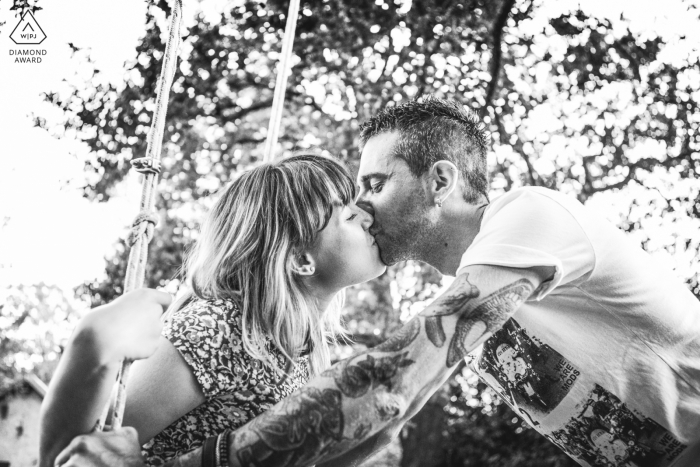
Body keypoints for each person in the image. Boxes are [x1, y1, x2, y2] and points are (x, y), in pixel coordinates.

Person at [52, 96, 700, 467]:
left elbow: (391, 383)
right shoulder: (474, 311)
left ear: (440, 182)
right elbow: (380, 414)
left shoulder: (532, 217)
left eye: (374, 183)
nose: (363, 206)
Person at [39, 154, 386, 466]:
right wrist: (92, 343)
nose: (367, 218)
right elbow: (91, 447)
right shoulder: (221, 329)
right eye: (348, 214)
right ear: (299, 259)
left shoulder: (302, 348)